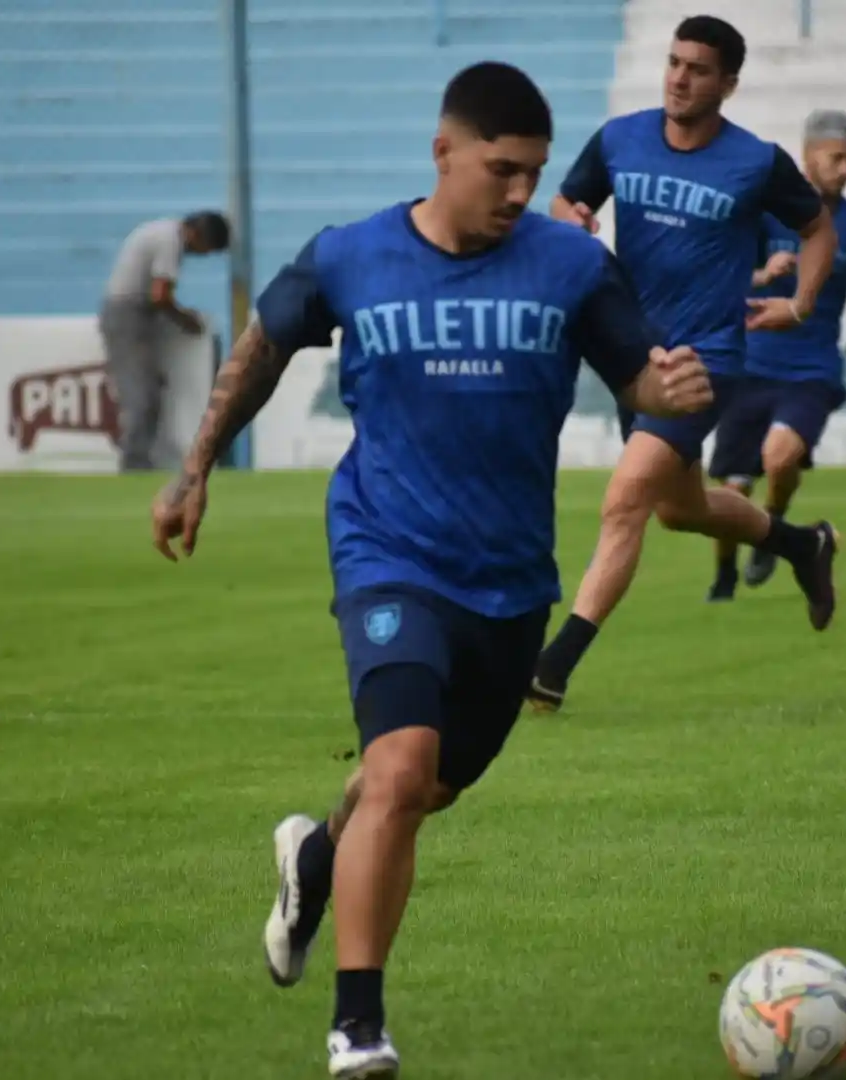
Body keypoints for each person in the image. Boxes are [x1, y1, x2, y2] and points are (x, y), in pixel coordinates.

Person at [149, 62, 714, 1080]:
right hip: (387, 552)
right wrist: (194, 471)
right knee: (401, 769)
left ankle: (316, 856)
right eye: (500, 169)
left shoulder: (574, 266)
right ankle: (357, 1026)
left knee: (421, 791)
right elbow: (261, 350)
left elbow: (640, 380)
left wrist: (672, 391)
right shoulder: (349, 255)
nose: (518, 194)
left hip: (508, 578)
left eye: (534, 175)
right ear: (443, 151)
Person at [526, 15, 843, 715]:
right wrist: (569, 221)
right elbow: (567, 198)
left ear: (727, 84)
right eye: (673, 62)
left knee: (626, 499)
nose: (679, 77)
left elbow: (817, 226)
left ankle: (552, 668)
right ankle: (801, 544)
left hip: (705, 359)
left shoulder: (755, 161)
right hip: (631, 357)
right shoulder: (620, 138)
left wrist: (801, 301)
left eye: (698, 68)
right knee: (679, 509)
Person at [706, 109, 846, 601]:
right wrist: (764, 275)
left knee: (780, 454)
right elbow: (723, 277)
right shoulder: (765, 216)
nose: (845, 169)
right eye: (836, 158)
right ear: (809, 155)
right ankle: (726, 574)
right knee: (730, 494)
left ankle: (774, 528)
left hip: (811, 372)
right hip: (748, 368)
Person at [99, 210, 230, 471]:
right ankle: (133, 464)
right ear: (198, 235)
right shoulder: (171, 241)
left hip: (132, 315)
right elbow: (160, 296)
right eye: (207, 249)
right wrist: (185, 320)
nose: (203, 255)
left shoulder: (160, 231)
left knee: (149, 390)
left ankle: (141, 460)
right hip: (129, 316)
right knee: (141, 396)